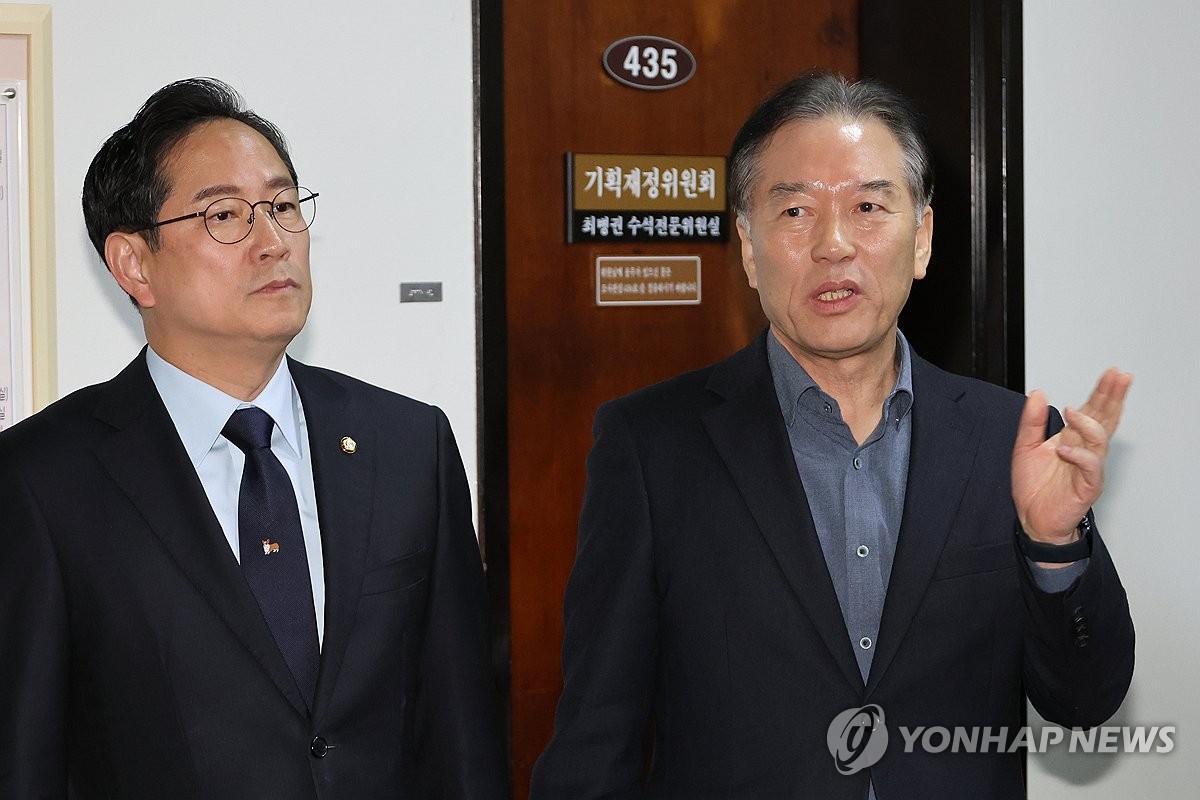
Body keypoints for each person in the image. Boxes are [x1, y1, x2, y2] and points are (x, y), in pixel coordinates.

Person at [531, 71, 1135, 799]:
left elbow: (1084, 703)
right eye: (795, 211)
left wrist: (1053, 546)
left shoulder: (1011, 440)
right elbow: (597, 737)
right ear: (748, 248)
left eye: (868, 206)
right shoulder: (651, 446)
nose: (834, 244)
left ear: (923, 239)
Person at [0, 78, 506, 799]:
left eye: (284, 206)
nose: (273, 243)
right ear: (134, 264)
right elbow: (25, 760)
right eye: (226, 215)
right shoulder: (42, 481)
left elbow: (463, 739)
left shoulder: (406, 445)